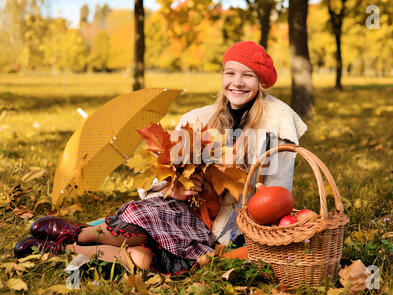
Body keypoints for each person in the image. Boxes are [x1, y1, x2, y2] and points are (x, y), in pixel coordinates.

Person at [13, 41, 308, 274]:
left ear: (261, 82)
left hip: (220, 225)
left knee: (141, 260)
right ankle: (82, 233)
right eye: (230, 73)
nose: (237, 82)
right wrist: (176, 188)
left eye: (247, 75)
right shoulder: (198, 119)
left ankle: (63, 248)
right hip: (180, 208)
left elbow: (278, 193)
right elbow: (164, 173)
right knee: (149, 222)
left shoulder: (274, 124)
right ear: (222, 75)